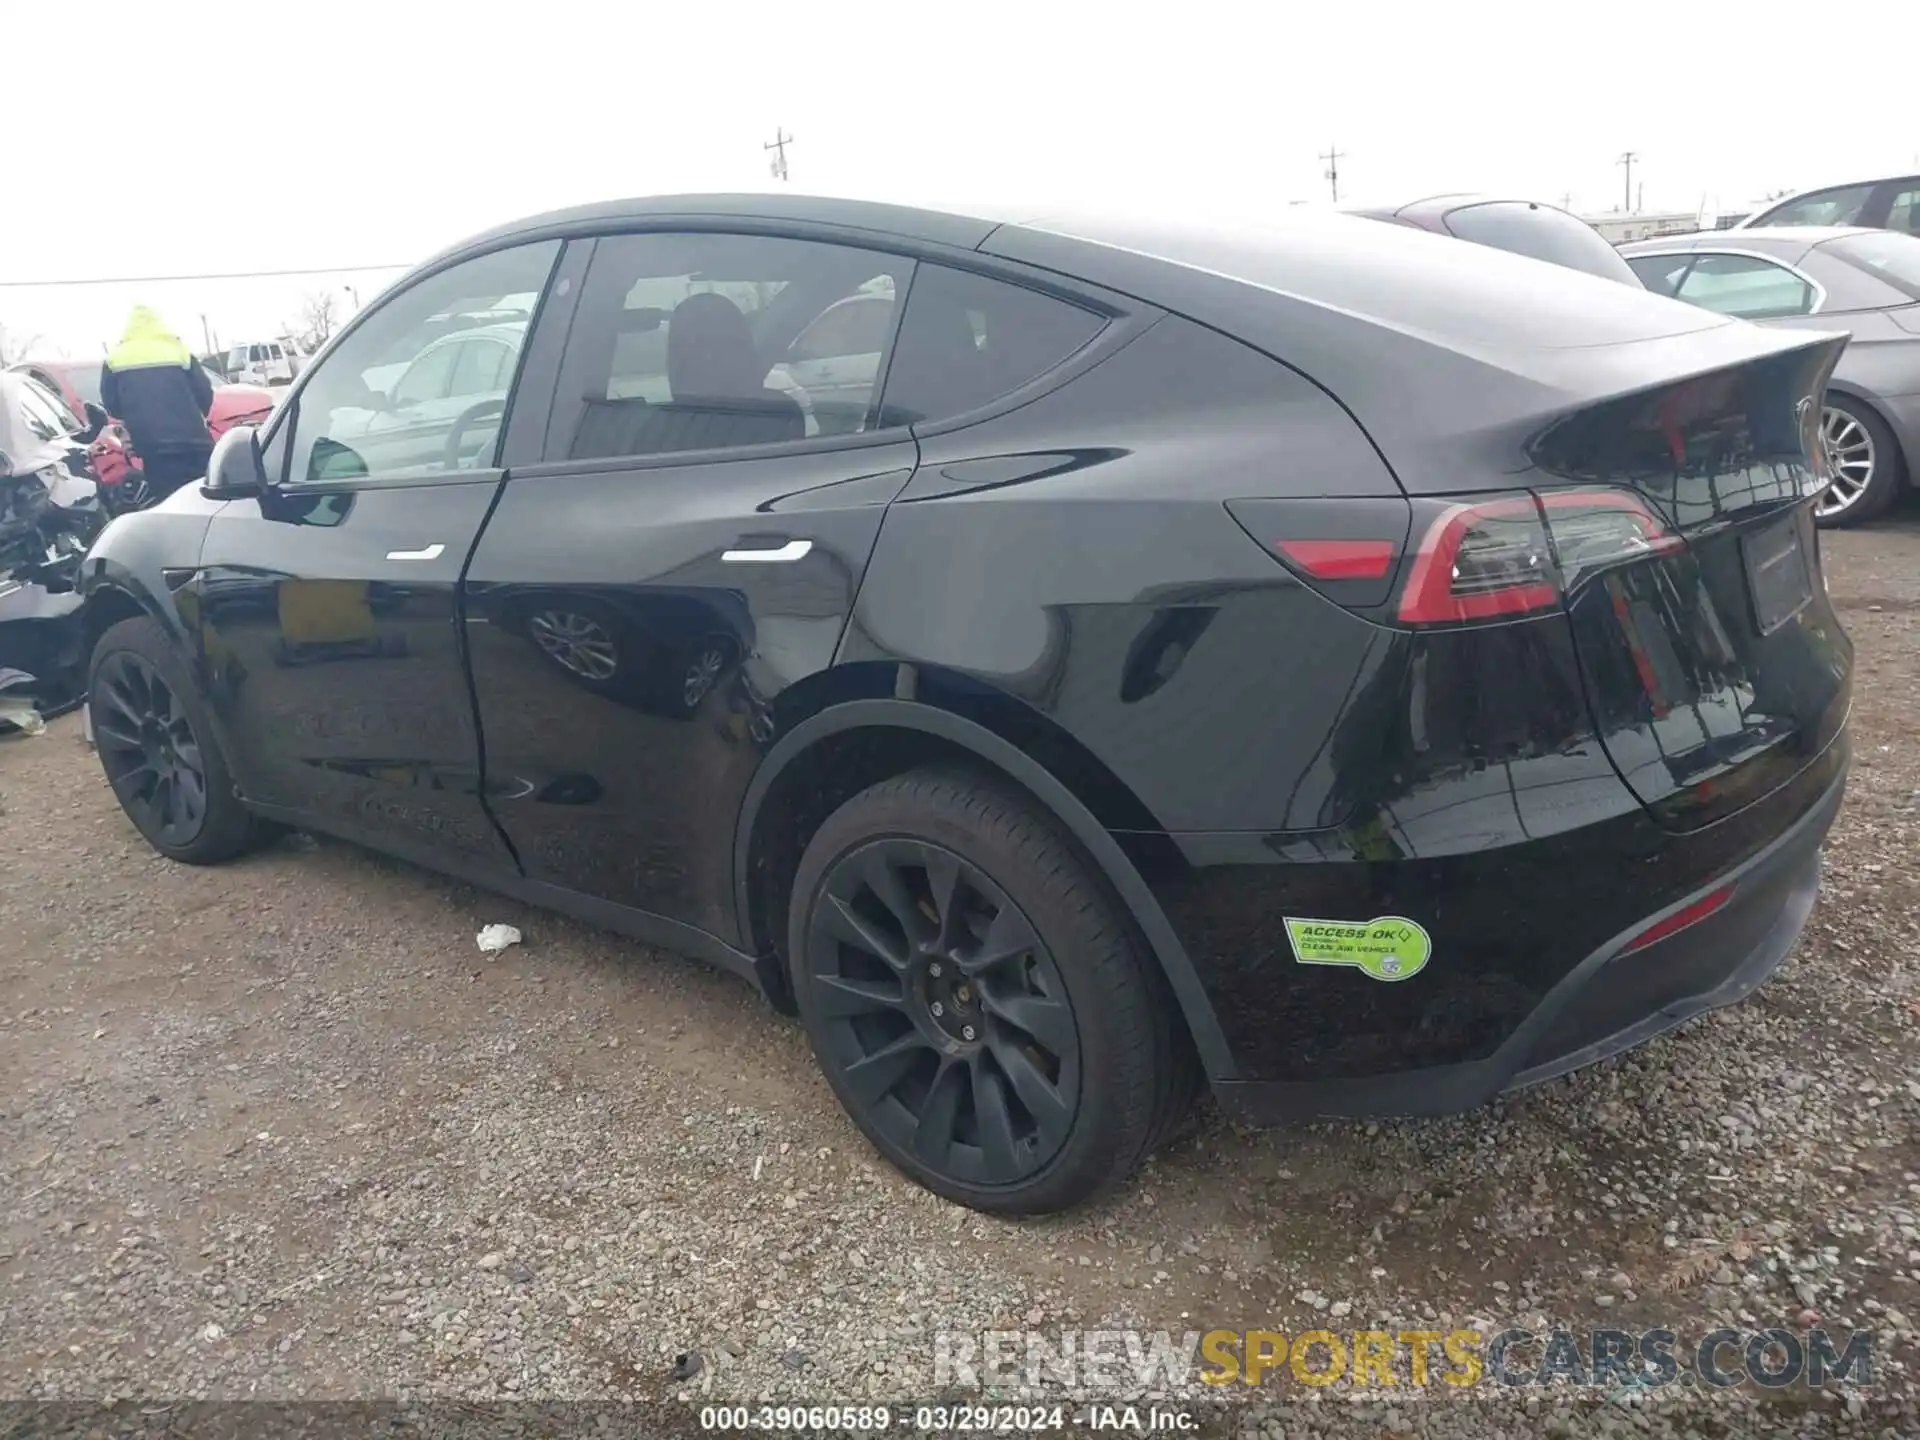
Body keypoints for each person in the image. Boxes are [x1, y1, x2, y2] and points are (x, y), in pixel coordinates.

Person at [99, 306, 215, 501]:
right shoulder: (178, 350)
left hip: (153, 448)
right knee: (206, 501)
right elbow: (205, 394)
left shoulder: (115, 358)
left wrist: (135, 414)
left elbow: (112, 406)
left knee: (170, 503)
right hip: (195, 444)